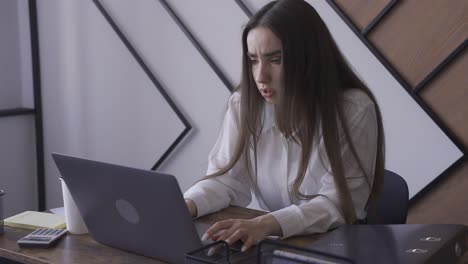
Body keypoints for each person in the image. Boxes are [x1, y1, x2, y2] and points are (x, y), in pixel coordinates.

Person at [184, 0, 385, 253]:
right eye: (253, 60)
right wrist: (186, 205)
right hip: (276, 245)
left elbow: (338, 204)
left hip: (335, 249)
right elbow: (226, 180)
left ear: (309, 57)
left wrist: (266, 224)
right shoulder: (243, 105)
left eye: (275, 60)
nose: (260, 76)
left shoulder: (353, 110)